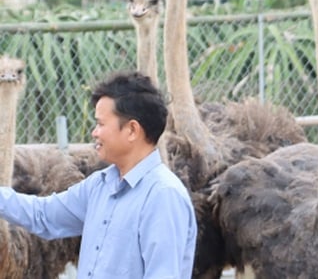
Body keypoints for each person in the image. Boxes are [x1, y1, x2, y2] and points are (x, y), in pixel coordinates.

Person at [0, 71, 197, 278]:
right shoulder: (100, 186)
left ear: (132, 130)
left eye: (101, 124)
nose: (94, 132)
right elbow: (44, 215)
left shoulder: (162, 196)